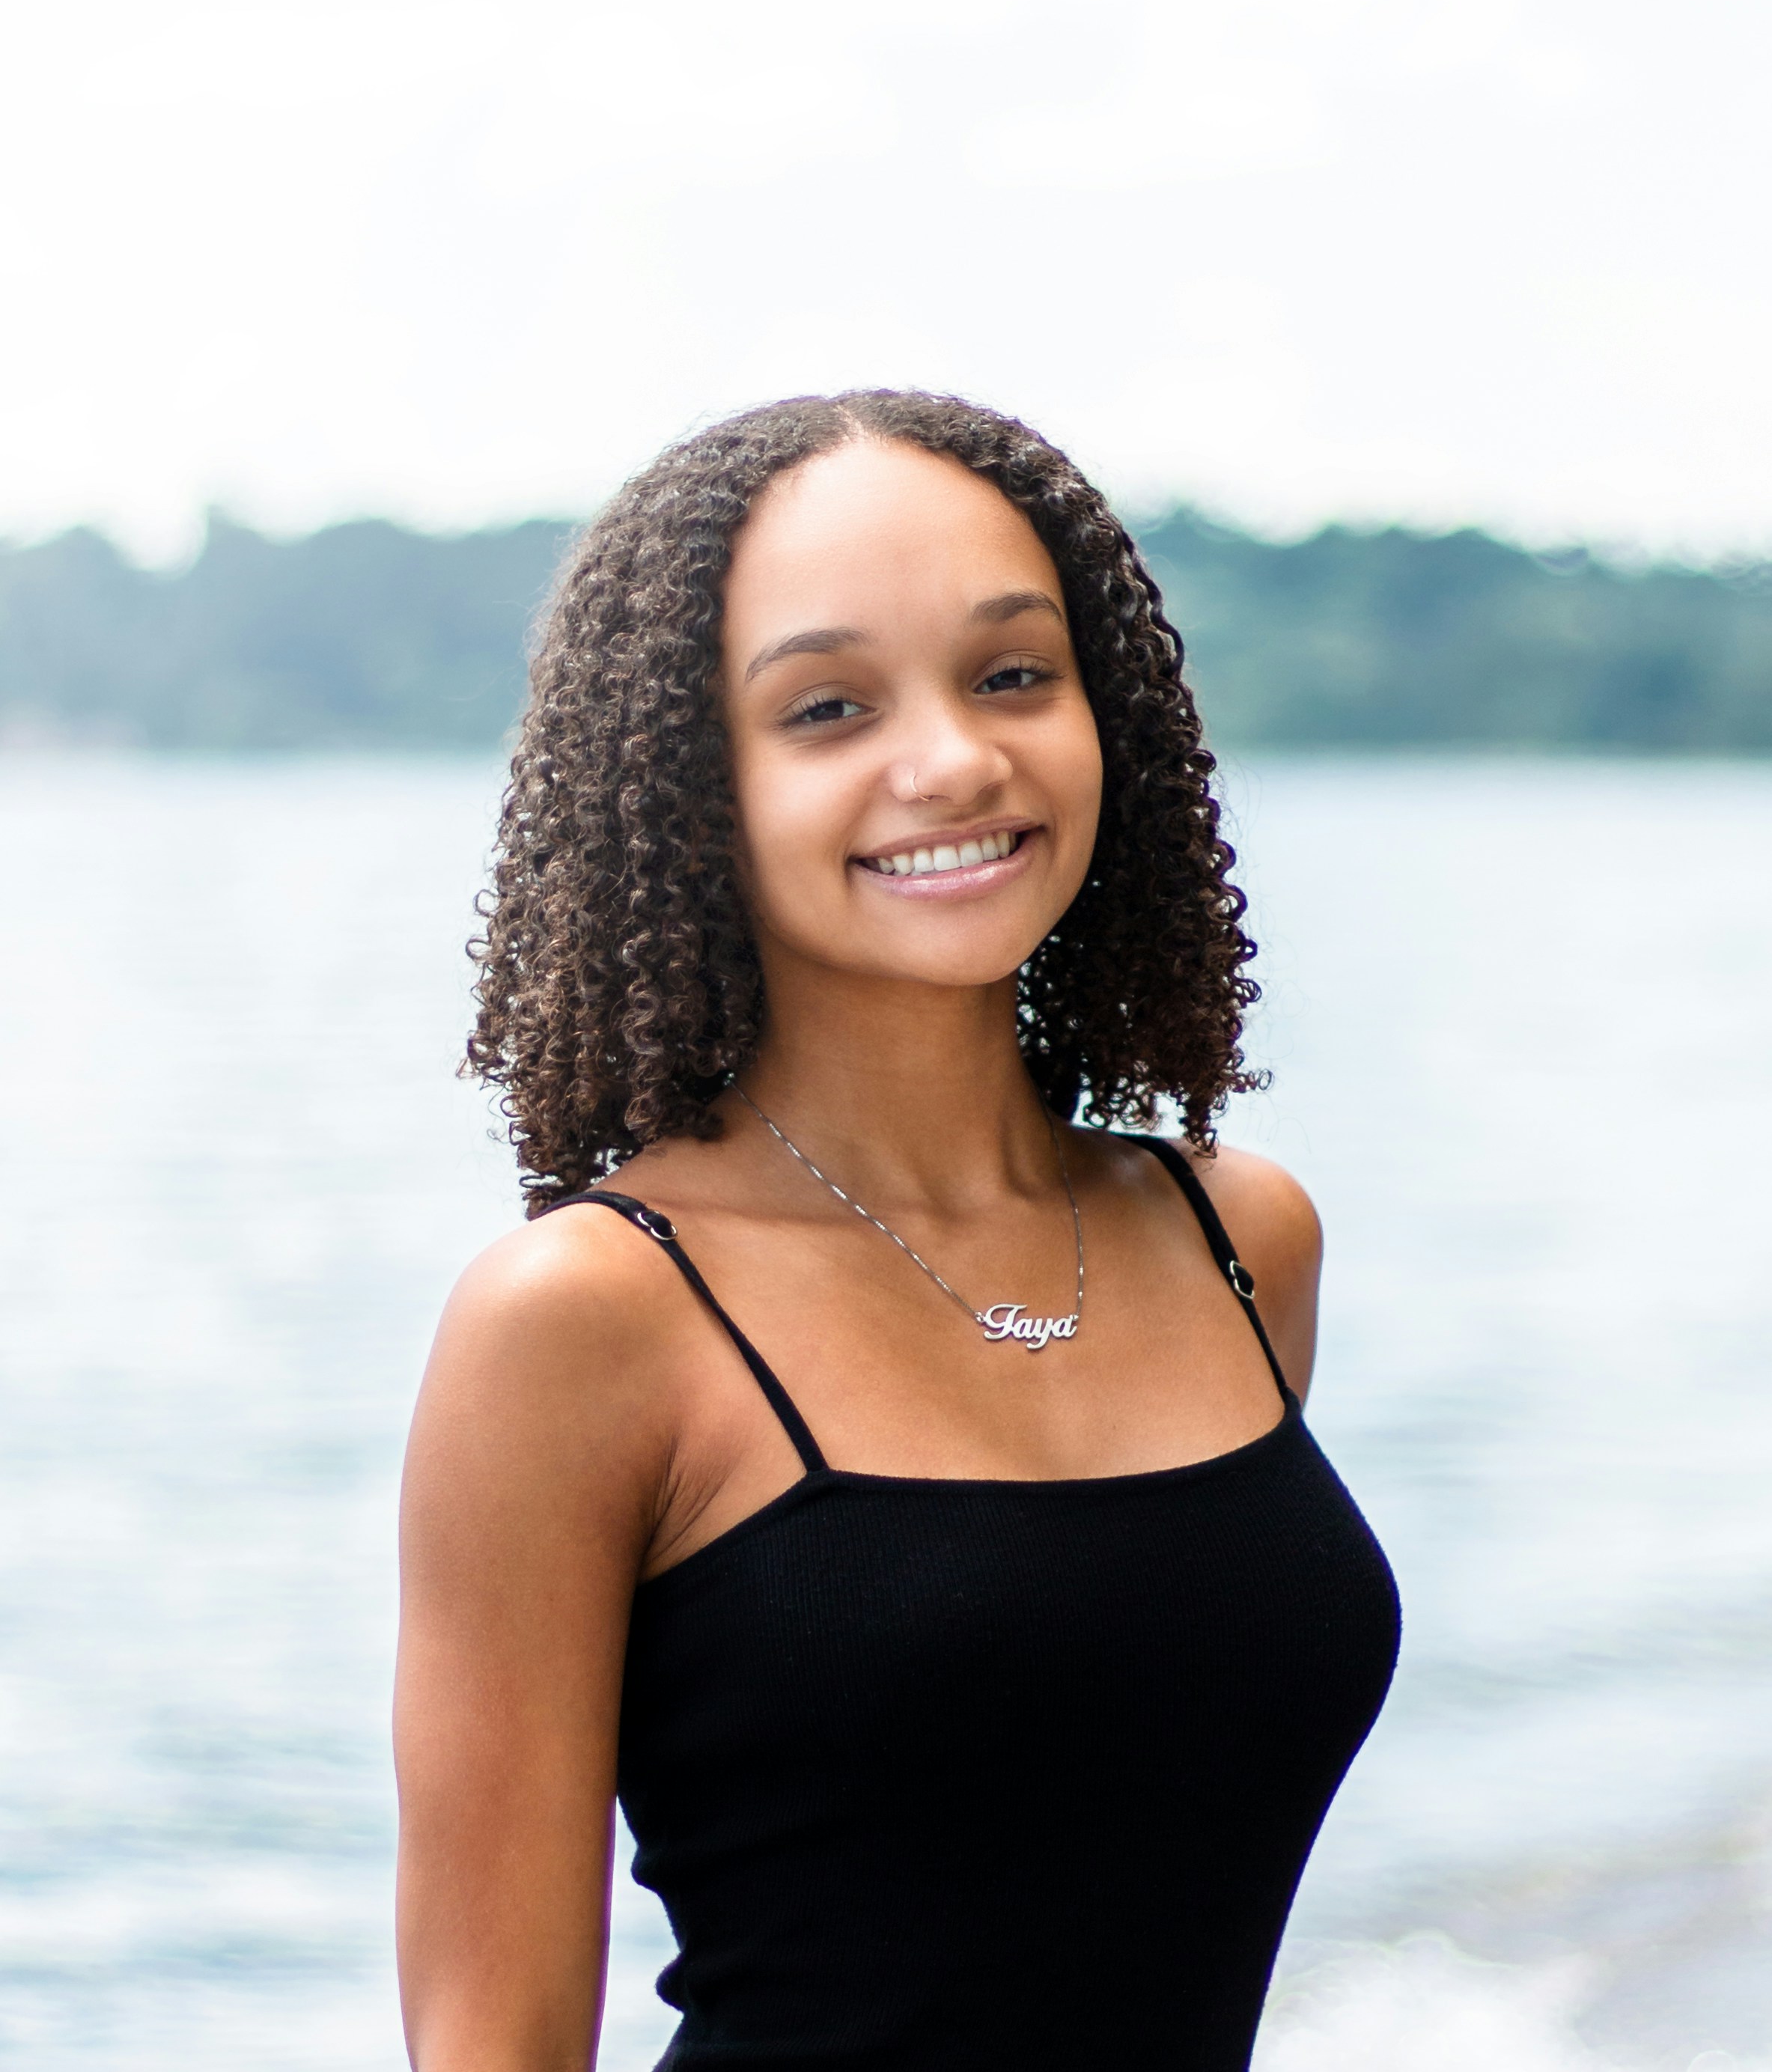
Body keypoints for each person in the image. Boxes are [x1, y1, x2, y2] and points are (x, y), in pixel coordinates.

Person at [393, 390, 1400, 2071]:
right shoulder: (583, 1319)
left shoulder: (1235, 1240)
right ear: (688, 790)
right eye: (826, 705)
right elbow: (492, 2046)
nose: (949, 758)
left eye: (1011, 674)